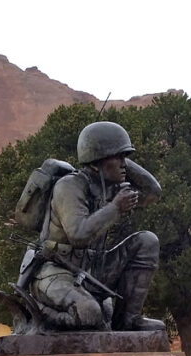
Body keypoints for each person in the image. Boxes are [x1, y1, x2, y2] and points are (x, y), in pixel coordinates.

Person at [25, 121, 165, 331]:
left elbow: (153, 191)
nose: (123, 164)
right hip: (55, 270)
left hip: (92, 268)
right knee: (91, 314)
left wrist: (121, 156)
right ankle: (37, 313)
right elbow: (78, 234)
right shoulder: (69, 186)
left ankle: (128, 320)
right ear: (96, 161)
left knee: (147, 241)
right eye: (118, 157)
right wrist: (116, 207)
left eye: (125, 157)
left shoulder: (110, 186)